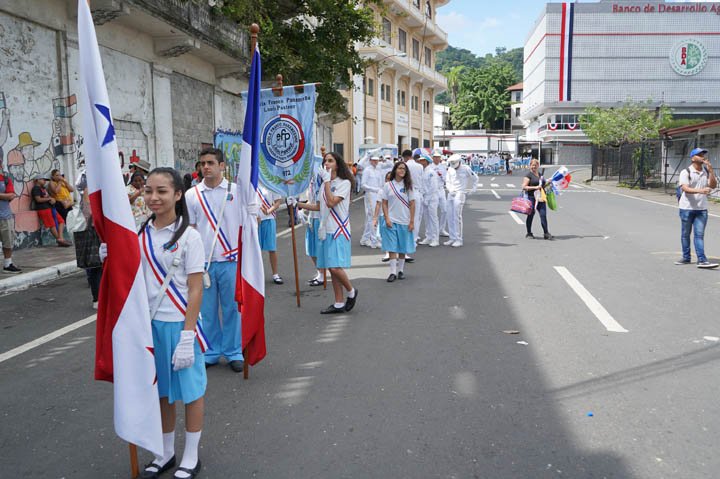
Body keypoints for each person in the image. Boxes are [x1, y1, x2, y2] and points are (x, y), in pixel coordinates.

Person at [110, 167, 207, 479]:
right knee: (161, 391)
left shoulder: (190, 237)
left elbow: (195, 289)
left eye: (162, 191)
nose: (153, 197)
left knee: (191, 392)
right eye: (149, 190)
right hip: (149, 326)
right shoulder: (139, 234)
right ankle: (165, 452)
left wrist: (188, 336)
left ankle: (191, 455)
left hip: (180, 323)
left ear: (178, 195)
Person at [184, 148, 244, 372]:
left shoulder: (237, 191)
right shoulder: (192, 195)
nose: (206, 167)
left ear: (222, 166)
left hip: (231, 259)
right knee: (206, 310)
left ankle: (233, 351)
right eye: (203, 163)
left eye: (210, 162)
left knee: (232, 309)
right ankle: (210, 351)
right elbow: (190, 228)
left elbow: (247, 224)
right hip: (204, 263)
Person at [316, 152, 358, 314]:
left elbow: (332, 202)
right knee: (331, 268)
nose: (326, 163)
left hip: (339, 229)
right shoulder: (324, 184)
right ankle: (338, 302)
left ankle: (351, 291)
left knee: (335, 267)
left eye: (330, 161)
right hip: (327, 229)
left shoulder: (344, 183)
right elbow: (319, 206)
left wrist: (327, 181)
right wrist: (297, 204)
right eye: (325, 161)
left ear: (337, 164)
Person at [676, 147, 719, 268]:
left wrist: (711, 170)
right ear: (693, 158)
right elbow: (685, 188)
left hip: (701, 209)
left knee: (699, 235)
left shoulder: (706, 171)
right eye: (699, 155)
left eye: (703, 155)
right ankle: (686, 257)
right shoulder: (686, 172)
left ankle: (702, 260)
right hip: (686, 208)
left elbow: (713, 185)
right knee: (685, 234)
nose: (702, 157)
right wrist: (701, 191)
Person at [378, 162, 416, 282]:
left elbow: (412, 203)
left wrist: (412, 221)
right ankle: (392, 272)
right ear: (395, 170)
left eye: (404, 169)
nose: (402, 170)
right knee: (392, 247)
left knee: (402, 247)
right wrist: (387, 218)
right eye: (400, 168)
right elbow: (384, 203)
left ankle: (400, 271)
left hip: (404, 220)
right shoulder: (388, 185)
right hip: (391, 220)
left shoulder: (408, 186)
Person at [74, 167, 102, 308]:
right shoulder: (88, 190)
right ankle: (97, 298)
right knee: (96, 266)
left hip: (94, 230)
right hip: (93, 231)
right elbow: (89, 213)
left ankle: (99, 297)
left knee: (97, 266)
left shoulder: (90, 190)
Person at [297, 173, 326, 286]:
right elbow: (311, 201)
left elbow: (319, 206)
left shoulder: (322, 183)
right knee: (311, 249)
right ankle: (319, 273)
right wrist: (302, 210)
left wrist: (298, 204)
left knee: (319, 249)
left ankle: (322, 275)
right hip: (311, 219)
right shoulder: (311, 182)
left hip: (320, 219)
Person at [444, 154, 477, 247]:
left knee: (456, 216)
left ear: (459, 162)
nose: (454, 166)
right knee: (449, 216)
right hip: (451, 193)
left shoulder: (466, 169)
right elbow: (447, 181)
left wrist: (473, 189)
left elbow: (475, 178)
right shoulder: (450, 169)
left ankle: (459, 239)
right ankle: (452, 237)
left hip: (460, 193)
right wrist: (450, 189)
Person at [31, 175, 71, 247]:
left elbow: (48, 197)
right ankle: (60, 240)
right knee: (52, 225)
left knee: (61, 221)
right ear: (37, 180)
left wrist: (52, 199)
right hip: (43, 209)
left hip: (50, 208)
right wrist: (49, 199)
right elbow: (38, 199)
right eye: (43, 179)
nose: (44, 181)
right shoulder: (36, 188)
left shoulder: (43, 188)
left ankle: (60, 238)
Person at [257, 184, 284, 284]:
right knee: (256, 250)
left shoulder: (270, 182)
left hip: (269, 219)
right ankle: (257, 276)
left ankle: (275, 274)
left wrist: (269, 211)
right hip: (255, 220)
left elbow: (278, 202)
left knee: (272, 248)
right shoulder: (252, 182)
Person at [522, 158, 553, 240]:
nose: (534, 167)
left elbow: (543, 185)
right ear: (530, 166)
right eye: (532, 165)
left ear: (538, 166)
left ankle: (546, 233)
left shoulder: (540, 174)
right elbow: (524, 187)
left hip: (541, 198)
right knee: (531, 215)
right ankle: (529, 233)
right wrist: (535, 187)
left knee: (543, 215)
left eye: (535, 165)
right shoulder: (528, 175)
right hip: (531, 198)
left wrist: (548, 183)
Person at [360, 155, 384, 248]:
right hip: (370, 194)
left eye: (377, 160)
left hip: (378, 194)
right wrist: (374, 189)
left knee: (372, 218)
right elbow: (363, 185)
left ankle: (365, 239)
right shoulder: (367, 170)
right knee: (373, 217)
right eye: (374, 160)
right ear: (370, 160)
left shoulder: (378, 170)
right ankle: (373, 240)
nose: (375, 162)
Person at [0, 165, 21, 273]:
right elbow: (8, 195)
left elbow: (12, 195)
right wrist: (5, 196)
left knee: (7, 241)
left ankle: (8, 264)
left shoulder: (6, 179)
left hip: (5, 216)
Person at [417, 154, 440, 247]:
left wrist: (427, 198)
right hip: (425, 197)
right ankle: (429, 236)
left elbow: (433, 187)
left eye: (422, 160)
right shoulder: (422, 171)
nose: (420, 162)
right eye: (420, 160)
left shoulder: (431, 172)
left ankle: (435, 239)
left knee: (433, 219)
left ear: (426, 161)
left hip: (432, 198)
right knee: (426, 219)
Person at [406, 149, 426, 244]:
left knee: (406, 216)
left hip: (407, 192)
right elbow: (422, 180)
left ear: (405, 157)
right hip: (417, 192)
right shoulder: (419, 166)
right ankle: (414, 239)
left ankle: (407, 238)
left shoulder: (405, 165)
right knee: (416, 217)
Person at [432, 151, 449, 237]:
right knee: (433, 212)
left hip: (441, 189)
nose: (436, 159)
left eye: (438, 157)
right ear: (433, 158)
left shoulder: (443, 167)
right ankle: (433, 230)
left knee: (445, 210)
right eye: (435, 157)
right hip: (433, 191)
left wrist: (441, 175)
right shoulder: (429, 167)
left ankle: (441, 229)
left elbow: (446, 179)